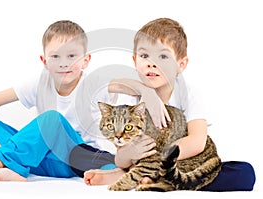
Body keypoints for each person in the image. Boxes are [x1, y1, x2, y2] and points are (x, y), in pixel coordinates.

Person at [0, 20, 160, 181]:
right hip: (44, 159)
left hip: (80, 158)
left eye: (71, 56)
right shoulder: (39, 83)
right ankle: (14, 168)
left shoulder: (92, 84)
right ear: (44, 61)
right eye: (55, 56)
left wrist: (148, 92)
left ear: (86, 60)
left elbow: (125, 84)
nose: (64, 63)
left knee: (52, 120)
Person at [82, 17, 256, 191]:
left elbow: (197, 142)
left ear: (181, 64)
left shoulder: (188, 94)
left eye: (163, 56)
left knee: (243, 173)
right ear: (135, 61)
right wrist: (145, 92)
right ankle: (139, 173)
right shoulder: (130, 102)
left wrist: (159, 159)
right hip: (143, 162)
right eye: (144, 56)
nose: (151, 63)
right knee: (128, 162)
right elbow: (121, 156)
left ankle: (134, 174)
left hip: (180, 160)